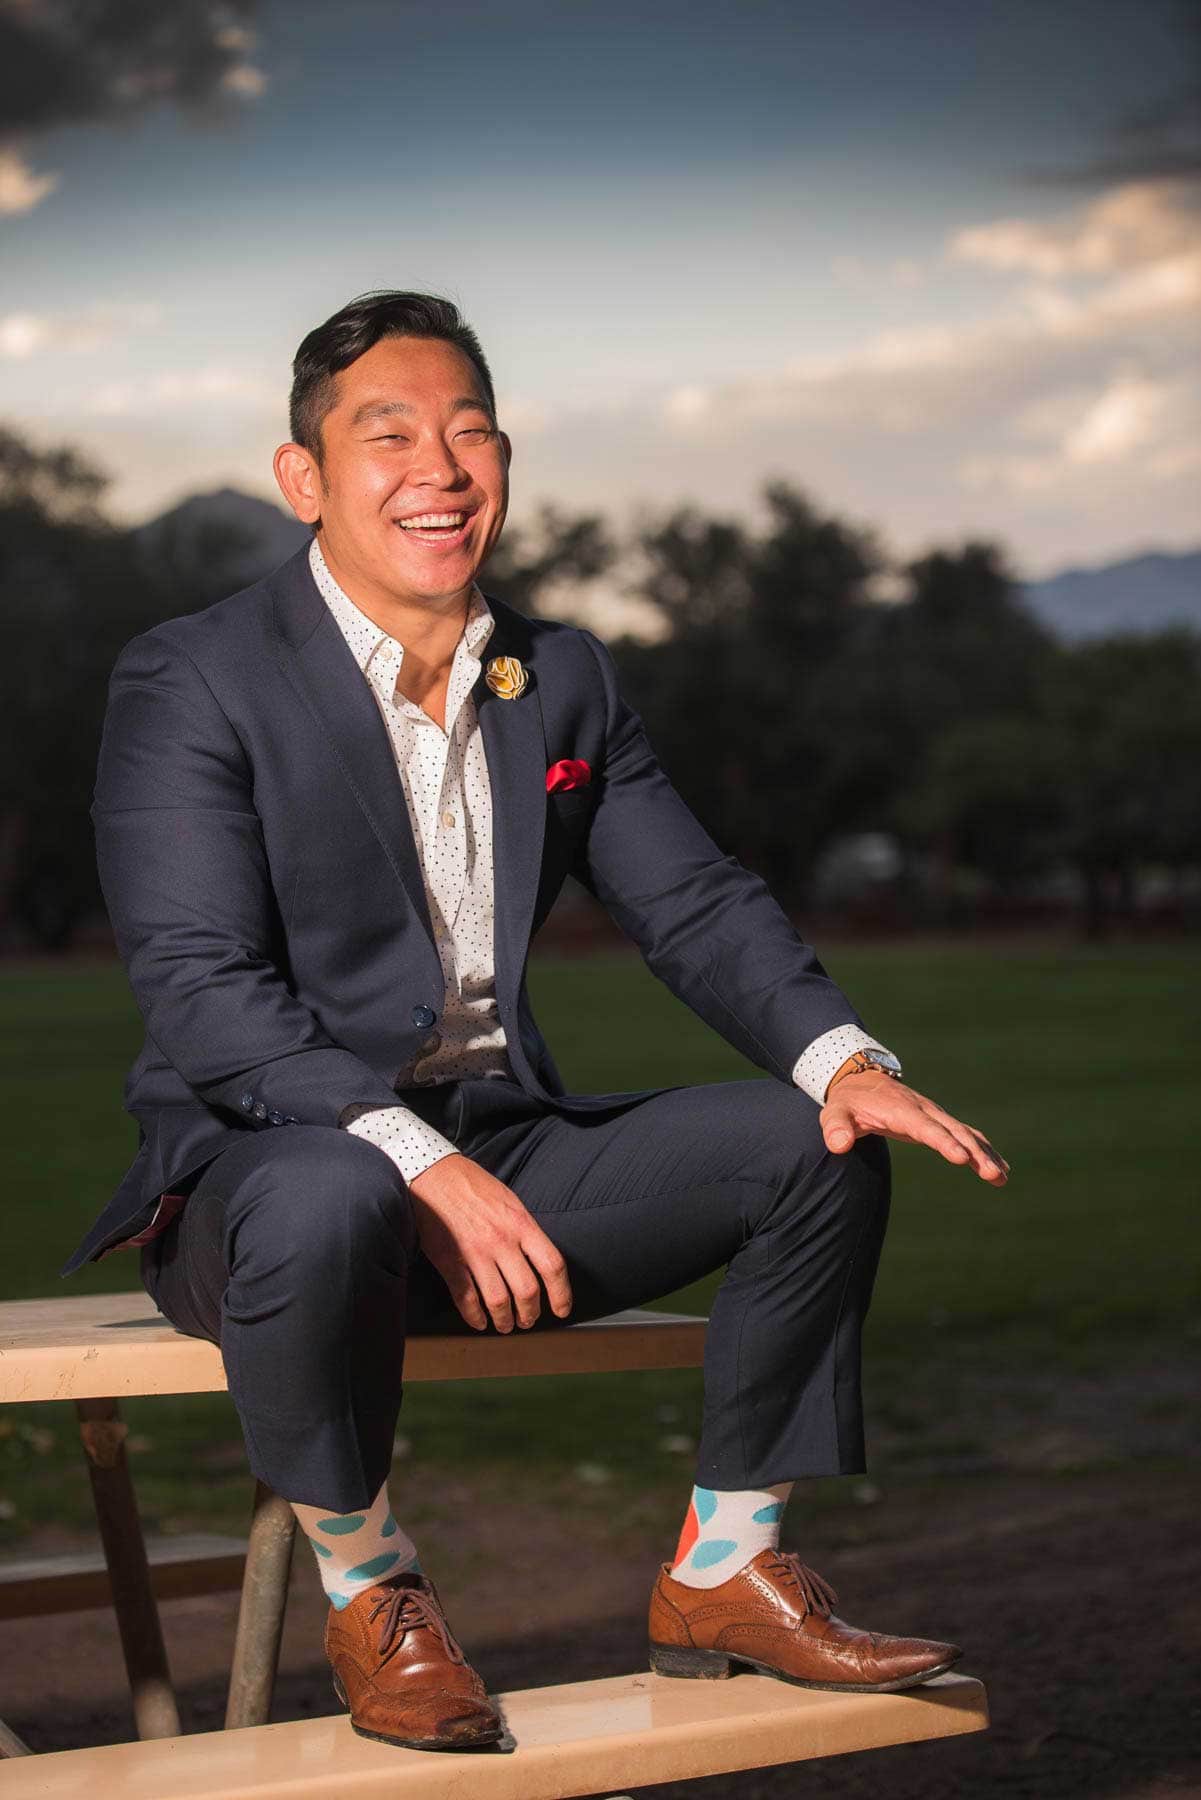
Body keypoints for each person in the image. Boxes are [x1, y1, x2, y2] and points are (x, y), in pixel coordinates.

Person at [64, 290, 1009, 1753]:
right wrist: (404, 1156)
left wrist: (845, 1059)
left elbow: (692, 902)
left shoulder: (554, 675)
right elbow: (201, 992)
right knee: (327, 1193)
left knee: (812, 1147)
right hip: (266, 1180)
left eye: (469, 433)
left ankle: (725, 1566)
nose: (438, 470)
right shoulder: (194, 675)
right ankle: (373, 1591)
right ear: (304, 477)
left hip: (500, 1160)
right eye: (389, 437)